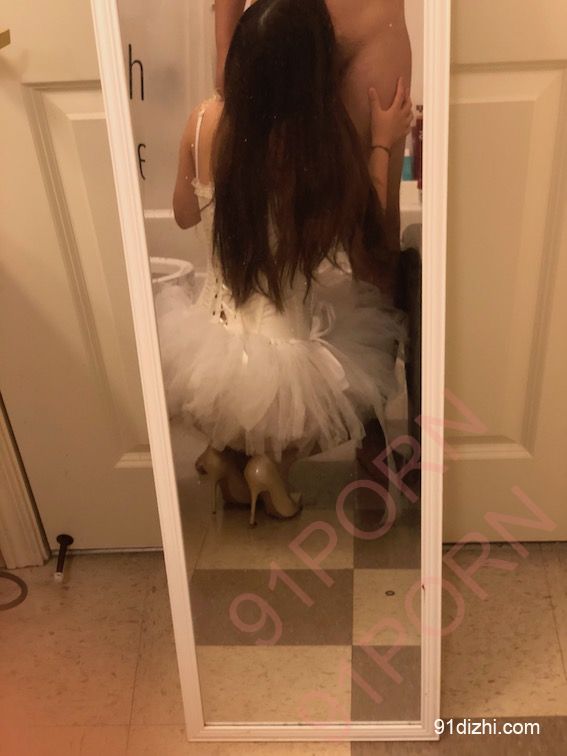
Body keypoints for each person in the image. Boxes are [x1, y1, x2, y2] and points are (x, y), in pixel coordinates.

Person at [157, 0, 411, 525]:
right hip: (282, 345)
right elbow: (369, 225)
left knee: (244, 401)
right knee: (335, 398)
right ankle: (270, 466)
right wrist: (384, 142)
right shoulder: (313, 155)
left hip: (211, 332)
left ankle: (224, 458)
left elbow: (182, 214)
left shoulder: (202, 120)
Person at [214, 0, 412, 254]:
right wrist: (224, 50)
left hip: (372, 28)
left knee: (376, 233)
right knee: (268, 215)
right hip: (282, 31)